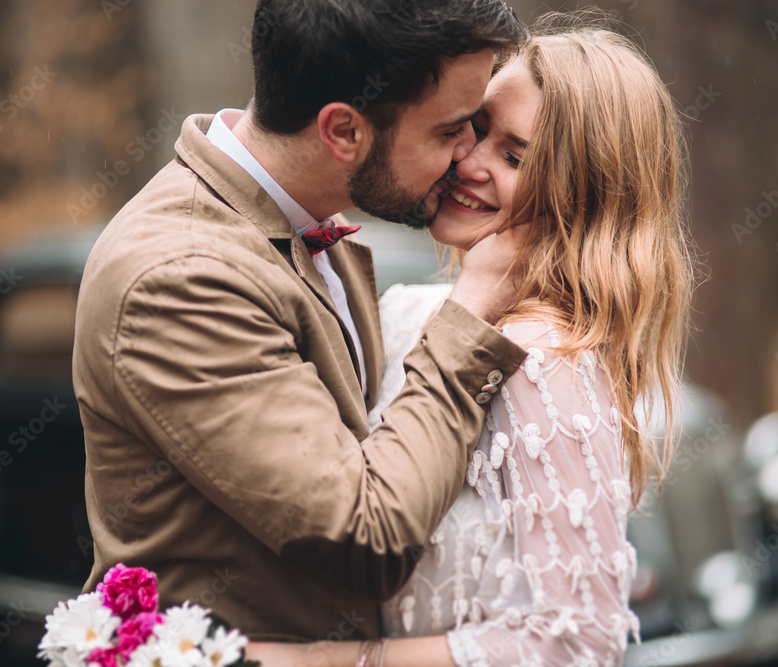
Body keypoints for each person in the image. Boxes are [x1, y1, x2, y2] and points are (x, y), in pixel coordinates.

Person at [246, 10, 696, 666]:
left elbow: (578, 640)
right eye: (471, 129)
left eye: (514, 156)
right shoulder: (407, 312)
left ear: (583, 195)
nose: (469, 163)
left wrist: (324, 661)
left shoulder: (547, 364)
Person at [72, 0, 528, 643]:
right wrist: (471, 311)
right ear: (343, 131)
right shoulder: (178, 276)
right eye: (450, 130)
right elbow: (365, 538)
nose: (465, 156)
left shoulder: (303, 221)